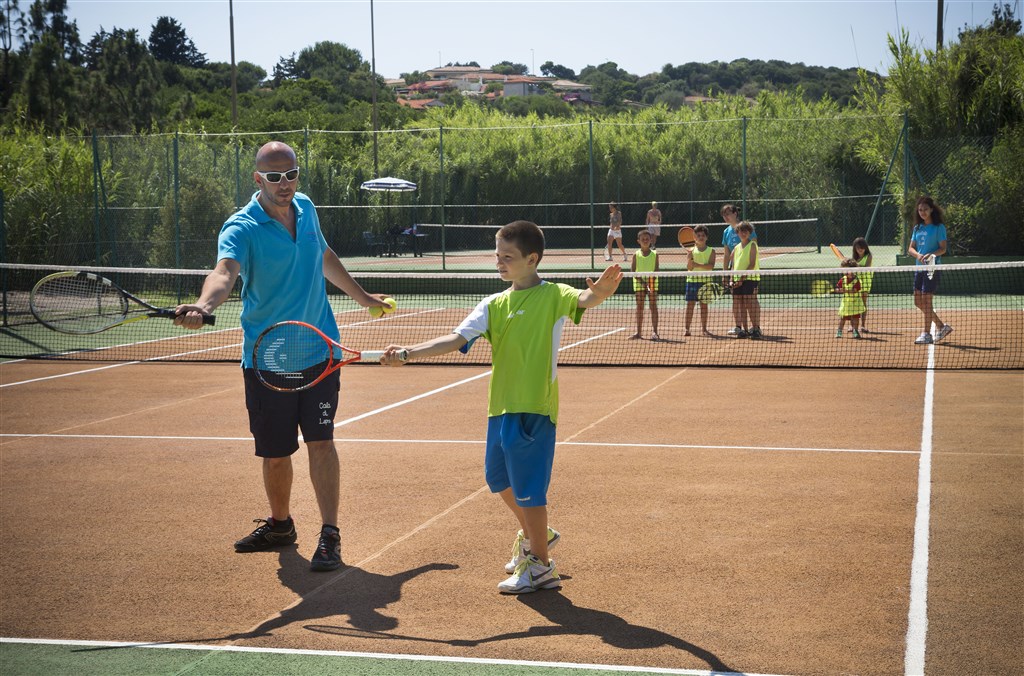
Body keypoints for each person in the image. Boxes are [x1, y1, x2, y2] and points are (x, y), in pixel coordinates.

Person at [174, 141, 390, 573]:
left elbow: (324, 257)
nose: (284, 183)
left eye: (290, 174)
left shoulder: (307, 207)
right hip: (267, 359)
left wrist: (363, 297)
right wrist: (205, 306)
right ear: (258, 179)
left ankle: (330, 534)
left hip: (319, 352)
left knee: (322, 443)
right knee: (275, 453)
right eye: (274, 176)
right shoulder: (241, 227)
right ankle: (280, 525)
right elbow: (223, 272)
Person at [381, 220, 622, 594]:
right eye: (497, 256)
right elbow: (456, 338)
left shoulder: (554, 294)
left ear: (532, 258)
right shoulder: (493, 304)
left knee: (529, 489)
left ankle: (541, 567)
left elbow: (585, 299)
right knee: (498, 480)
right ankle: (537, 534)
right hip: (500, 408)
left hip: (534, 409)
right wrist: (409, 353)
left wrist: (601, 293)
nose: (500, 263)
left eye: (508, 257)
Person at [907, 195, 953, 345]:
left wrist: (932, 255)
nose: (922, 212)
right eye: (920, 210)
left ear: (931, 210)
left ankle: (927, 333)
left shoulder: (939, 227)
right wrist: (919, 255)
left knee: (927, 301)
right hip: (919, 269)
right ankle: (940, 326)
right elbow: (910, 249)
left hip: (932, 268)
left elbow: (943, 249)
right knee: (918, 301)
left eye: (925, 209)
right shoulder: (917, 228)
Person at [720, 204, 760, 337]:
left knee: (751, 300)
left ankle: (756, 328)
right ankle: (740, 328)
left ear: (735, 213)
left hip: (750, 275)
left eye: (728, 213)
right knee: (737, 301)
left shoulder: (747, 230)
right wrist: (727, 274)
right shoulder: (726, 232)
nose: (725, 216)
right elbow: (727, 255)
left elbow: (751, 249)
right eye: (723, 214)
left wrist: (744, 275)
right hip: (735, 274)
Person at [729, 220, 761, 339]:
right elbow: (733, 266)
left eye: (746, 231)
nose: (743, 233)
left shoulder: (752, 245)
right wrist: (732, 279)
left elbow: (752, 264)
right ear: (737, 232)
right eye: (741, 231)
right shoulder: (736, 248)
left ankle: (756, 329)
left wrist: (741, 279)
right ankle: (744, 330)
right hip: (737, 280)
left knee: (750, 303)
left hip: (750, 278)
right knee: (740, 304)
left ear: (749, 232)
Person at [684, 224, 716, 336]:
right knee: (690, 305)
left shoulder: (712, 251)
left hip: (706, 282)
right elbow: (689, 267)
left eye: (703, 235)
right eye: (698, 235)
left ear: (706, 237)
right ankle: (687, 329)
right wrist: (689, 259)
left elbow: (710, 266)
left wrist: (697, 264)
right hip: (692, 281)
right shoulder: (691, 251)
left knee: (704, 306)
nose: (701, 237)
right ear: (694, 237)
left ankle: (704, 329)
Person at [630, 229, 660, 340]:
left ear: (651, 240)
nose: (645, 241)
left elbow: (656, 270)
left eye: (647, 239)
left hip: (652, 284)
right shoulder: (635, 255)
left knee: (653, 307)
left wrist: (650, 283)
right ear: (639, 241)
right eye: (643, 239)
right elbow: (633, 271)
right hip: (638, 285)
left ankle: (655, 332)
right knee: (639, 308)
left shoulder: (655, 254)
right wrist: (643, 283)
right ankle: (638, 333)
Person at [834, 258, 865, 339]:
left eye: (848, 269)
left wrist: (845, 290)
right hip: (846, 303)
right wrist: (838, 290)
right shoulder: (843, 279)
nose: (846, 272)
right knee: (842, 318)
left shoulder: (857, 280)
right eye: (844, 270)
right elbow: (837, 288)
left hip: (855, 303)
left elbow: (855, 290)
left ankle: (855, 331)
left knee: (855, 318)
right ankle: (839, 331)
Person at [851, 237, 873, 333]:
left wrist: (855, 265)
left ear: (865, 248)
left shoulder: (869, 256)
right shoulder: (853, 259)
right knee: (854, 304)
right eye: (858, 248)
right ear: (855, 248)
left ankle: (863, 326)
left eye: (862, 247)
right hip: (856, 283)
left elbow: (866, 267)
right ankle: (852, 326)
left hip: (866, 283)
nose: (860, 249)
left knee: (863, 304)